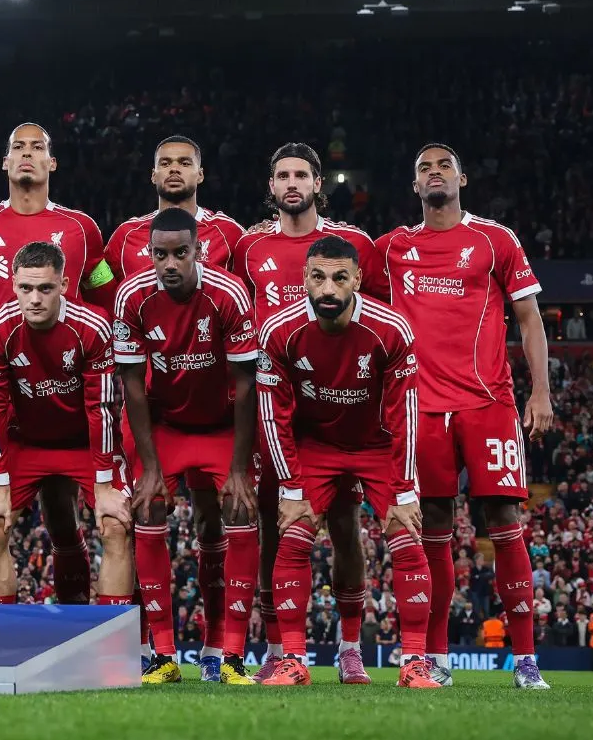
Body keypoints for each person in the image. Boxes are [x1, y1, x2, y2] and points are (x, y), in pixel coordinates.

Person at [366, 143, 554, 690]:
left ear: (462, 179)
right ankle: (436, 658)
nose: (433, 173)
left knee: (505, 526)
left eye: (443, 165)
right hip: (419, 410)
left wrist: (539, 393)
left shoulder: (495, 241)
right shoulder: (393, 248)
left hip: (488, 404)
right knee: (435, 532)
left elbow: (529, 317)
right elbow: (339, 272)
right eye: (423, 168)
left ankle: (526, 662)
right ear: (415, 187)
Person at [253, 236, 439, 689]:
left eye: (340, 278)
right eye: (318, 278)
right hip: (315, 447)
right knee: (293, 535)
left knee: (406, 534)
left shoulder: (390, 329)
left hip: (376, 446)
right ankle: (293, 661)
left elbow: (405, 415)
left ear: (357, 279)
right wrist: (292, 490)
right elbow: (272, 416)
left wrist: (406, 489)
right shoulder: (279, 332)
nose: (329, 289)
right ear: (305, 280)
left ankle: (414, 663)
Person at [230, 143, 378, 680]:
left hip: (342, 412)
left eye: (302, 175)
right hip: (279, 413)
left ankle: (350, 648)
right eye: (282, 176)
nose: (292, 184)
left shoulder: (353, 246)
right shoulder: (249, 248)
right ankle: (278, 651)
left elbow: (376, 324)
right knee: (275, 528)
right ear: (270, 186)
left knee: (344, 528)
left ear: (319, 184)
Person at [115, 207, 262, 685]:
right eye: (161, 254)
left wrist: (239, 469)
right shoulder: (132, 297)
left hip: (222, 424)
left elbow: (247, 384)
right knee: (149, 506)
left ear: (199, 251)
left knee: (239, 511)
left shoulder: (229, 294)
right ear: (149, 254)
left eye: (181, 253)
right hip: (167, 425)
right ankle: (163, 654)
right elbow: (133, 387)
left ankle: (232, 655)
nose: (170, 263)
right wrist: (151, 467)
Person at [0, 241, 134, 608]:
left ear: (64, 284)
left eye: (45, 288)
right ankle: (3, 642)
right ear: (13, 284)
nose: (34, 299)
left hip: (84, 445)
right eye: (26, 288)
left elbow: (102, 407)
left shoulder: (91, 327)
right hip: (26, 444)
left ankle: (107, 647)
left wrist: (105, 483)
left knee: (116, 524)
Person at [0, 123, 108, 323]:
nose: (27, 153)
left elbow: (105, 297)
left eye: (37, 147)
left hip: (61, 352)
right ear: (5, 162)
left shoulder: (83, 227)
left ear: (52, 163)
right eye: (18, 147)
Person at [101, 135, 246, 299]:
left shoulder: (229, 232)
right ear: (153, 175)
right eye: (165, 163)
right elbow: (104, 295)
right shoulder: (125, 236)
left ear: (200, 174)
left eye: (184, 163)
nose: (174, 169)